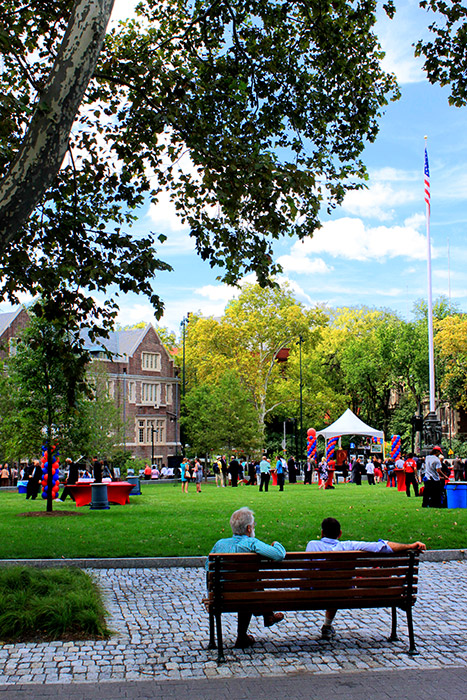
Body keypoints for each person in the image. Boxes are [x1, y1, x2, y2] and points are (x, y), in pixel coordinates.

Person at [306, 517, 426, 640]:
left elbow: (306, 573)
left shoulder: (311, 545)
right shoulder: (349, 546)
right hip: (343, 592)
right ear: (340, 533)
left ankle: (327, 626)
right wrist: (411, 545)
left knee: (332, 585)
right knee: (337, 587)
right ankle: (327, 625)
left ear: (322, 533)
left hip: (316, 593)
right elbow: (382, 546)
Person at [206, 507, 286, 647]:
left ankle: (264, 618)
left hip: (221, 596)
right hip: (247, 595)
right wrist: (275, 543)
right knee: (248, 587)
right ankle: (264, 618)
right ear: (249, 528)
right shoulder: (251, 543)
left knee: (247, 585)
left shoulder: (220, 544)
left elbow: (208, 566)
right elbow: (279, 554)